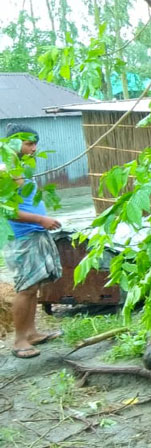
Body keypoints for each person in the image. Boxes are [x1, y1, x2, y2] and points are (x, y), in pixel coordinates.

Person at [4, 124, 62, 358]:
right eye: (29, 143)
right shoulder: (5, 171)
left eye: (35, 143)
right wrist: (40, 219)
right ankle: (19, 341)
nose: (33, 148)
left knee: (34, 285)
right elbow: (6, 211)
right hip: (21, 237)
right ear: (14, 143)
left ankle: (31, 332)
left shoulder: (21, 169)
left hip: (34, 232)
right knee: (25, 288)